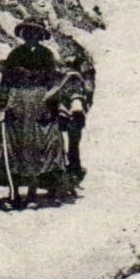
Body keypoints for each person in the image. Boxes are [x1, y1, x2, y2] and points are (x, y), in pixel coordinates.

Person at [0, 21, 68, 208]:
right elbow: (6, 81)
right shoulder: (15, 55)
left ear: (41, 36)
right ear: (23, 35)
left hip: (40, 103)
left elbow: (53, 83)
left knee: (38, 147)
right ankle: (14, 193)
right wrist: (2, 103)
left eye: (36, 33)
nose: (32, 36)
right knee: (15, 147)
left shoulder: (46, 55)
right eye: (28, 33)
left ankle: (32, 193)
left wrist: (54, 104)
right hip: (18, 103)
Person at [49, 41, 95, 186]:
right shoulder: (52, 59)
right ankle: (60, 172)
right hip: (59, 104)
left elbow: (89, 87)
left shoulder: (83, 63)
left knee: (73, 141)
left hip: (76, 105)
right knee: (59, 140)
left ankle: (73, 171)